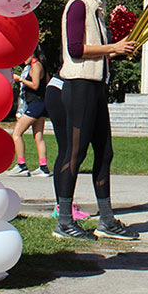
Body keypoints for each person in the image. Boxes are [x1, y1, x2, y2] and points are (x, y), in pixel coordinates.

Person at [54, 0, 139, 241]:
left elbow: (97, 50)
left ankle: (106, 219)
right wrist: (113, 46)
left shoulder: (95, 7)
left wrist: (119, 50)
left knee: (105, 153)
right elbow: (77, 50)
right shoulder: (79, 4)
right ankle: (64, 221)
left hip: (95, 85)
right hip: (79, 85)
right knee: (74, 154)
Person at [44, 75, 90, 222]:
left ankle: (62, 204)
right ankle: (63, 206)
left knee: (67, 150)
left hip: (61, 89)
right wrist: (112, 50)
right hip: (62, 89)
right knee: (68, 150)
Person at [7, 46, 51, 177]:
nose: (23, 59)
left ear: (32, 53)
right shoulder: (39, 65)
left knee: (16, 133)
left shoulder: (36, 66)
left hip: (36, 104)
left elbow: (36, 85)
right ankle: (43, 167)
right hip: (39, 104)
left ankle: (21, 165)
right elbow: (46, 83)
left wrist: (20, 79)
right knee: (38, 136)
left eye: (25, 55)